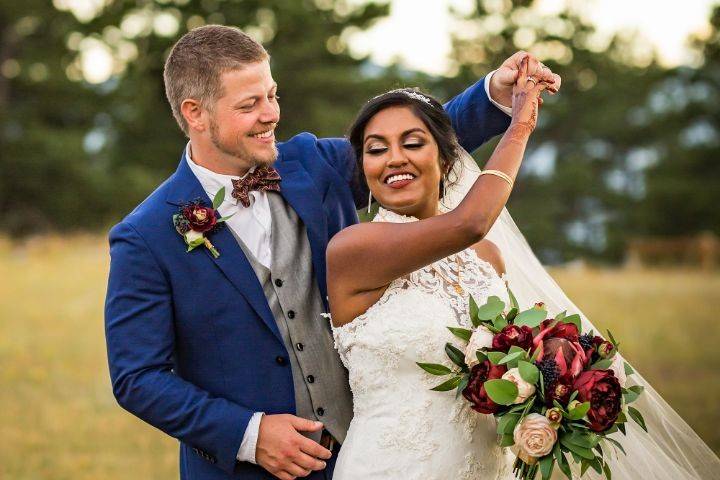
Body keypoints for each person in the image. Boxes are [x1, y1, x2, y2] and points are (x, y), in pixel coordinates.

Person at [103, 24, 561, 480]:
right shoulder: (145, 236)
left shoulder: (309, 164)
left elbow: (408, 142)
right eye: (250, 104)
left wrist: (494, 95)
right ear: (195, 113)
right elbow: (137, 378)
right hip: (247, 473)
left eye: (272, 95)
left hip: (367, 454)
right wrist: (249, 434)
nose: (271, 115)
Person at [326, 67, 720, 479]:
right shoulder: (355, 249)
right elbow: (469, 222)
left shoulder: (486, 258)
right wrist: (520, 126)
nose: (394, 159)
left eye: (412, 143)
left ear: (445, 158)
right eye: (375, 149)